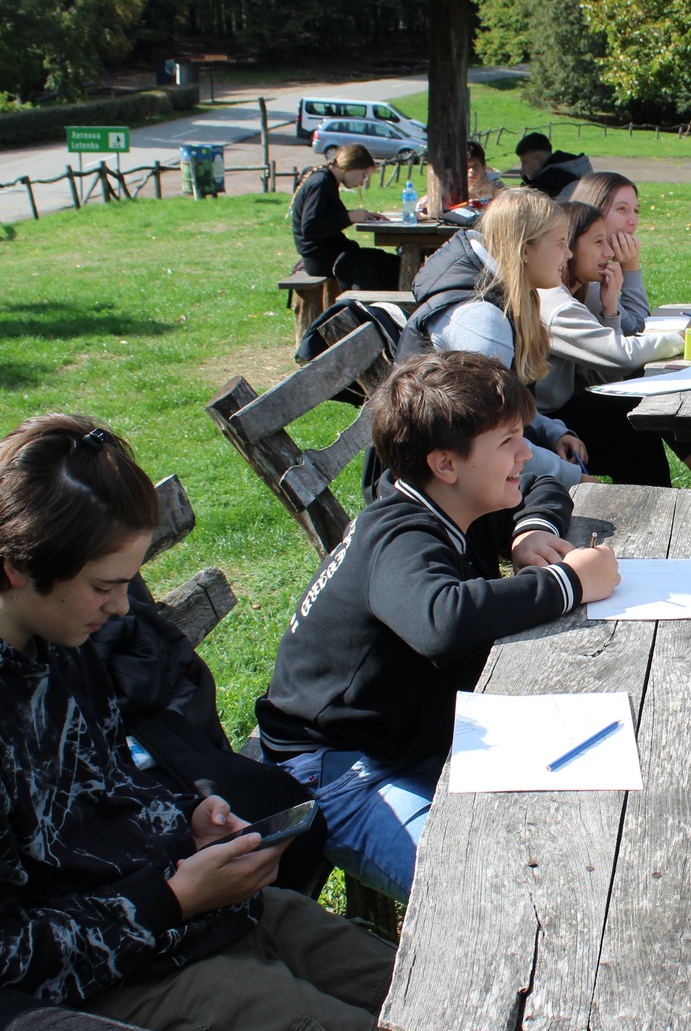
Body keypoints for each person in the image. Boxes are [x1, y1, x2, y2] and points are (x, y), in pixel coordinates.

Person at [0, 415, 604, 1031]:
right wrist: (171, 898)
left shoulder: (47, 633)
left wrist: (185, 818)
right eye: (106, 586)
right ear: (17, 568)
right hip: (121, 984)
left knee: (461, 1017)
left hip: (199, 917)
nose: (121, 608)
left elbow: (95, 787)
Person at [256, 352, 620, 899]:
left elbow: (543, 483)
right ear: (446, 463)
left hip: (409, 730)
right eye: (508, 442)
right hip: (340, 768)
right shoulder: (400, 535)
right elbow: (442, 621)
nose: (525, 452)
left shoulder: (454, 497)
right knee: (481, 893)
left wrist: (531, 531)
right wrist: (568, 583)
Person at [396, 195, 594, 489]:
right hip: (440, 488)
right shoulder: (482, 319)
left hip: (464, 476)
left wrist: (551, 431)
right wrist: (575, 479)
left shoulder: (497, 293)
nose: (568, 254)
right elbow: (490, 438)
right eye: (560, 243)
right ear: (525, 250)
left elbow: (501, 415)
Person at [537, 199, 691, 486]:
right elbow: (621, 356)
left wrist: (610, 310)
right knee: (633, 420)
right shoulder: (556, 303)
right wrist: (684, 337)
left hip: (559, 414)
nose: (608, 252)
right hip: (543, 424)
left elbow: (606, 372)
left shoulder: (583, 290)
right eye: (598, 242)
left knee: (634, 417)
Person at [291, 143, 393, 289]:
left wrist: (361, 215)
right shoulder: (321, 183)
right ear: (351, 167)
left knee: (385, 261)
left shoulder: (329, 181)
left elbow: (328, 216)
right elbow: (310, 228)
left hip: (331, 255)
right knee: (389, 268)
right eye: (363, 175)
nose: (362, 182)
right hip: (322, 260)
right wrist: (349, 218)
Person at [569, 171, 650, 335]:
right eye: (622, 209)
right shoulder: (586, 275)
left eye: (636, 211)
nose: (633, 221)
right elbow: (635, 329)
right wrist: (630, 265)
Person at [515, 130, 593, 200]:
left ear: (539, 159)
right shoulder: (538, 183)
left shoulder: (565, 185)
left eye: (524, 162)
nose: (522, 169)